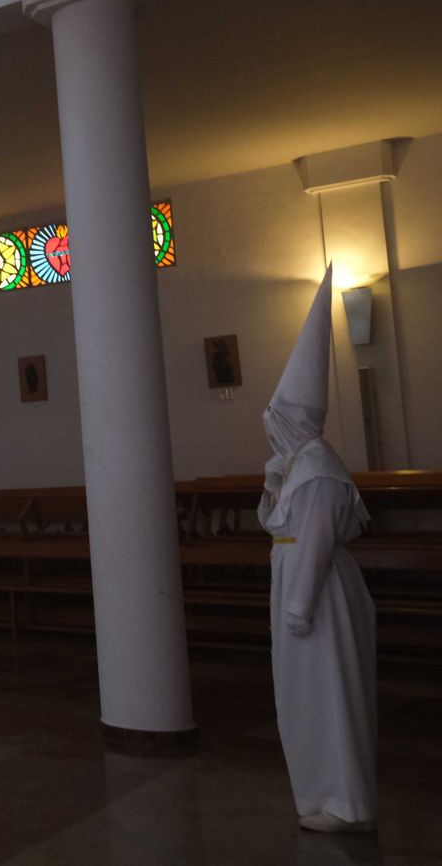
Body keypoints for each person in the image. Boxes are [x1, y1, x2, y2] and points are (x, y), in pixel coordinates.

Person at [258, 266, 377, 834]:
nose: (271, 427)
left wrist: (299, 606)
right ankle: (324, 793)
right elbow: (277, 526)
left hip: (318, 598)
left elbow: (314, 542)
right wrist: (272, 482)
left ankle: (345, 801)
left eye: (278, 419)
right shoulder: (299, 467)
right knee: (307, 695)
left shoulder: (318, 471)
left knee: (330, 694)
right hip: (301, 593)